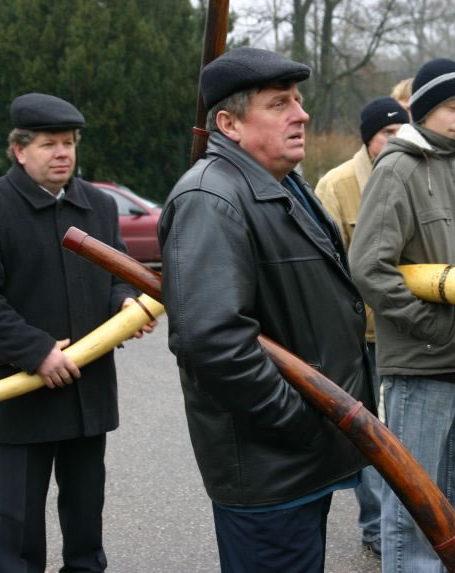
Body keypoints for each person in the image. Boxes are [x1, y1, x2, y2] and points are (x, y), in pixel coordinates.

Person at [158, 47, 374, 573]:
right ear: (229, 124)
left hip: (298, 463)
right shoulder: (210, 198)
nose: (301, 114)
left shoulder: (283, 185)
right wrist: (301, 423)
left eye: (298, 100)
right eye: (279, 104)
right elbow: (212, 342)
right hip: (271, 468)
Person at [0, 92, 151, 572]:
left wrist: (124, 301)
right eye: (49, 144)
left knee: (86, 521)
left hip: (88, 395)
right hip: (23, 394)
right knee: (18, 529)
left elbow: (120, 272)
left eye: (69, 143)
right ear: (19, 150)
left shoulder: (98, 206)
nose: (62, 153)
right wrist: (36, 350)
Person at [349, 58, 455, 572]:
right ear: (422, 109)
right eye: (452, 106)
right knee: (416, 507)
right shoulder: (397, 169)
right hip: (422, 367)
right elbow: (369, 266)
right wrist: (432, 326)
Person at [314, 95, 409, 558]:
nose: (396, 141)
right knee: (368, 430)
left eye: (402, 132)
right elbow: (325, 265)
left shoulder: (412, 175)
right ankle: (375, 524)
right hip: (359, 335)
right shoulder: (336, 185)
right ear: (369, 138)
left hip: (405, 329)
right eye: (387, 134)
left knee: (404, 430)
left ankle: (408, 518)